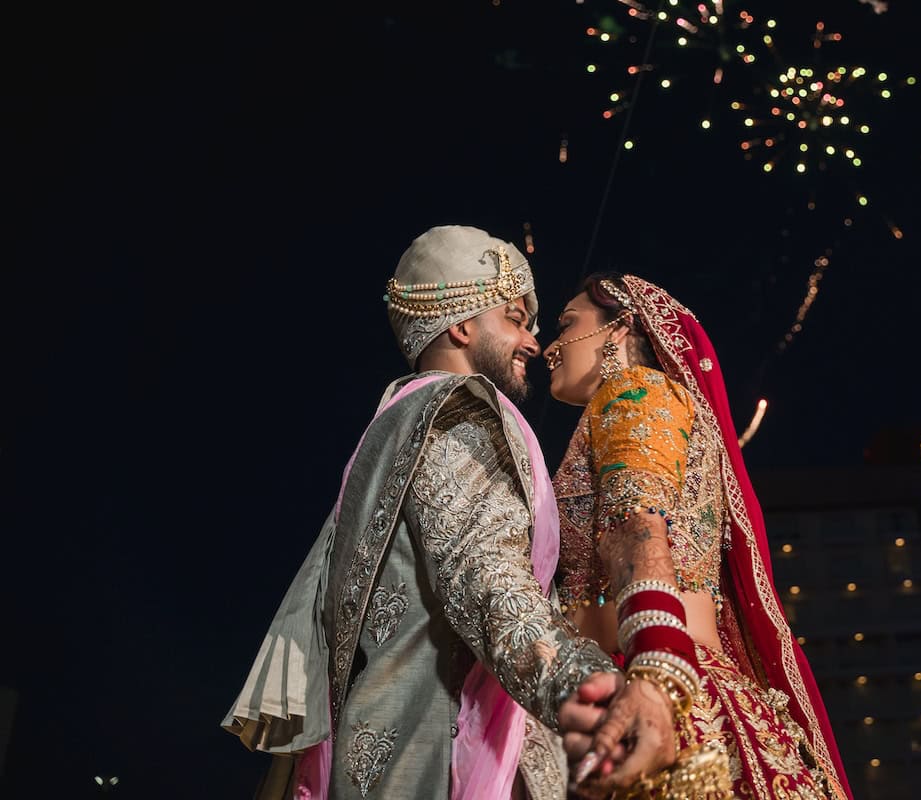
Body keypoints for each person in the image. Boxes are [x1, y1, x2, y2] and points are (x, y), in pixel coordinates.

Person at [220, 226, 672, 800]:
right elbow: (489, 581)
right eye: (513, 318)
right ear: (460, 326)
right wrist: (591, 690)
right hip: (440, 761)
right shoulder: (457, 415)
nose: (532, 342)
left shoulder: (391, 425)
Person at [543, 273, 855, 800]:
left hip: (651, 685)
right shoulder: (654, 404)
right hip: (647, 678)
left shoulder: (635, 392)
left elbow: (637, 524)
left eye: (566, 325)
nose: (550, 347)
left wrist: (659, 670)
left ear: (620, 328)